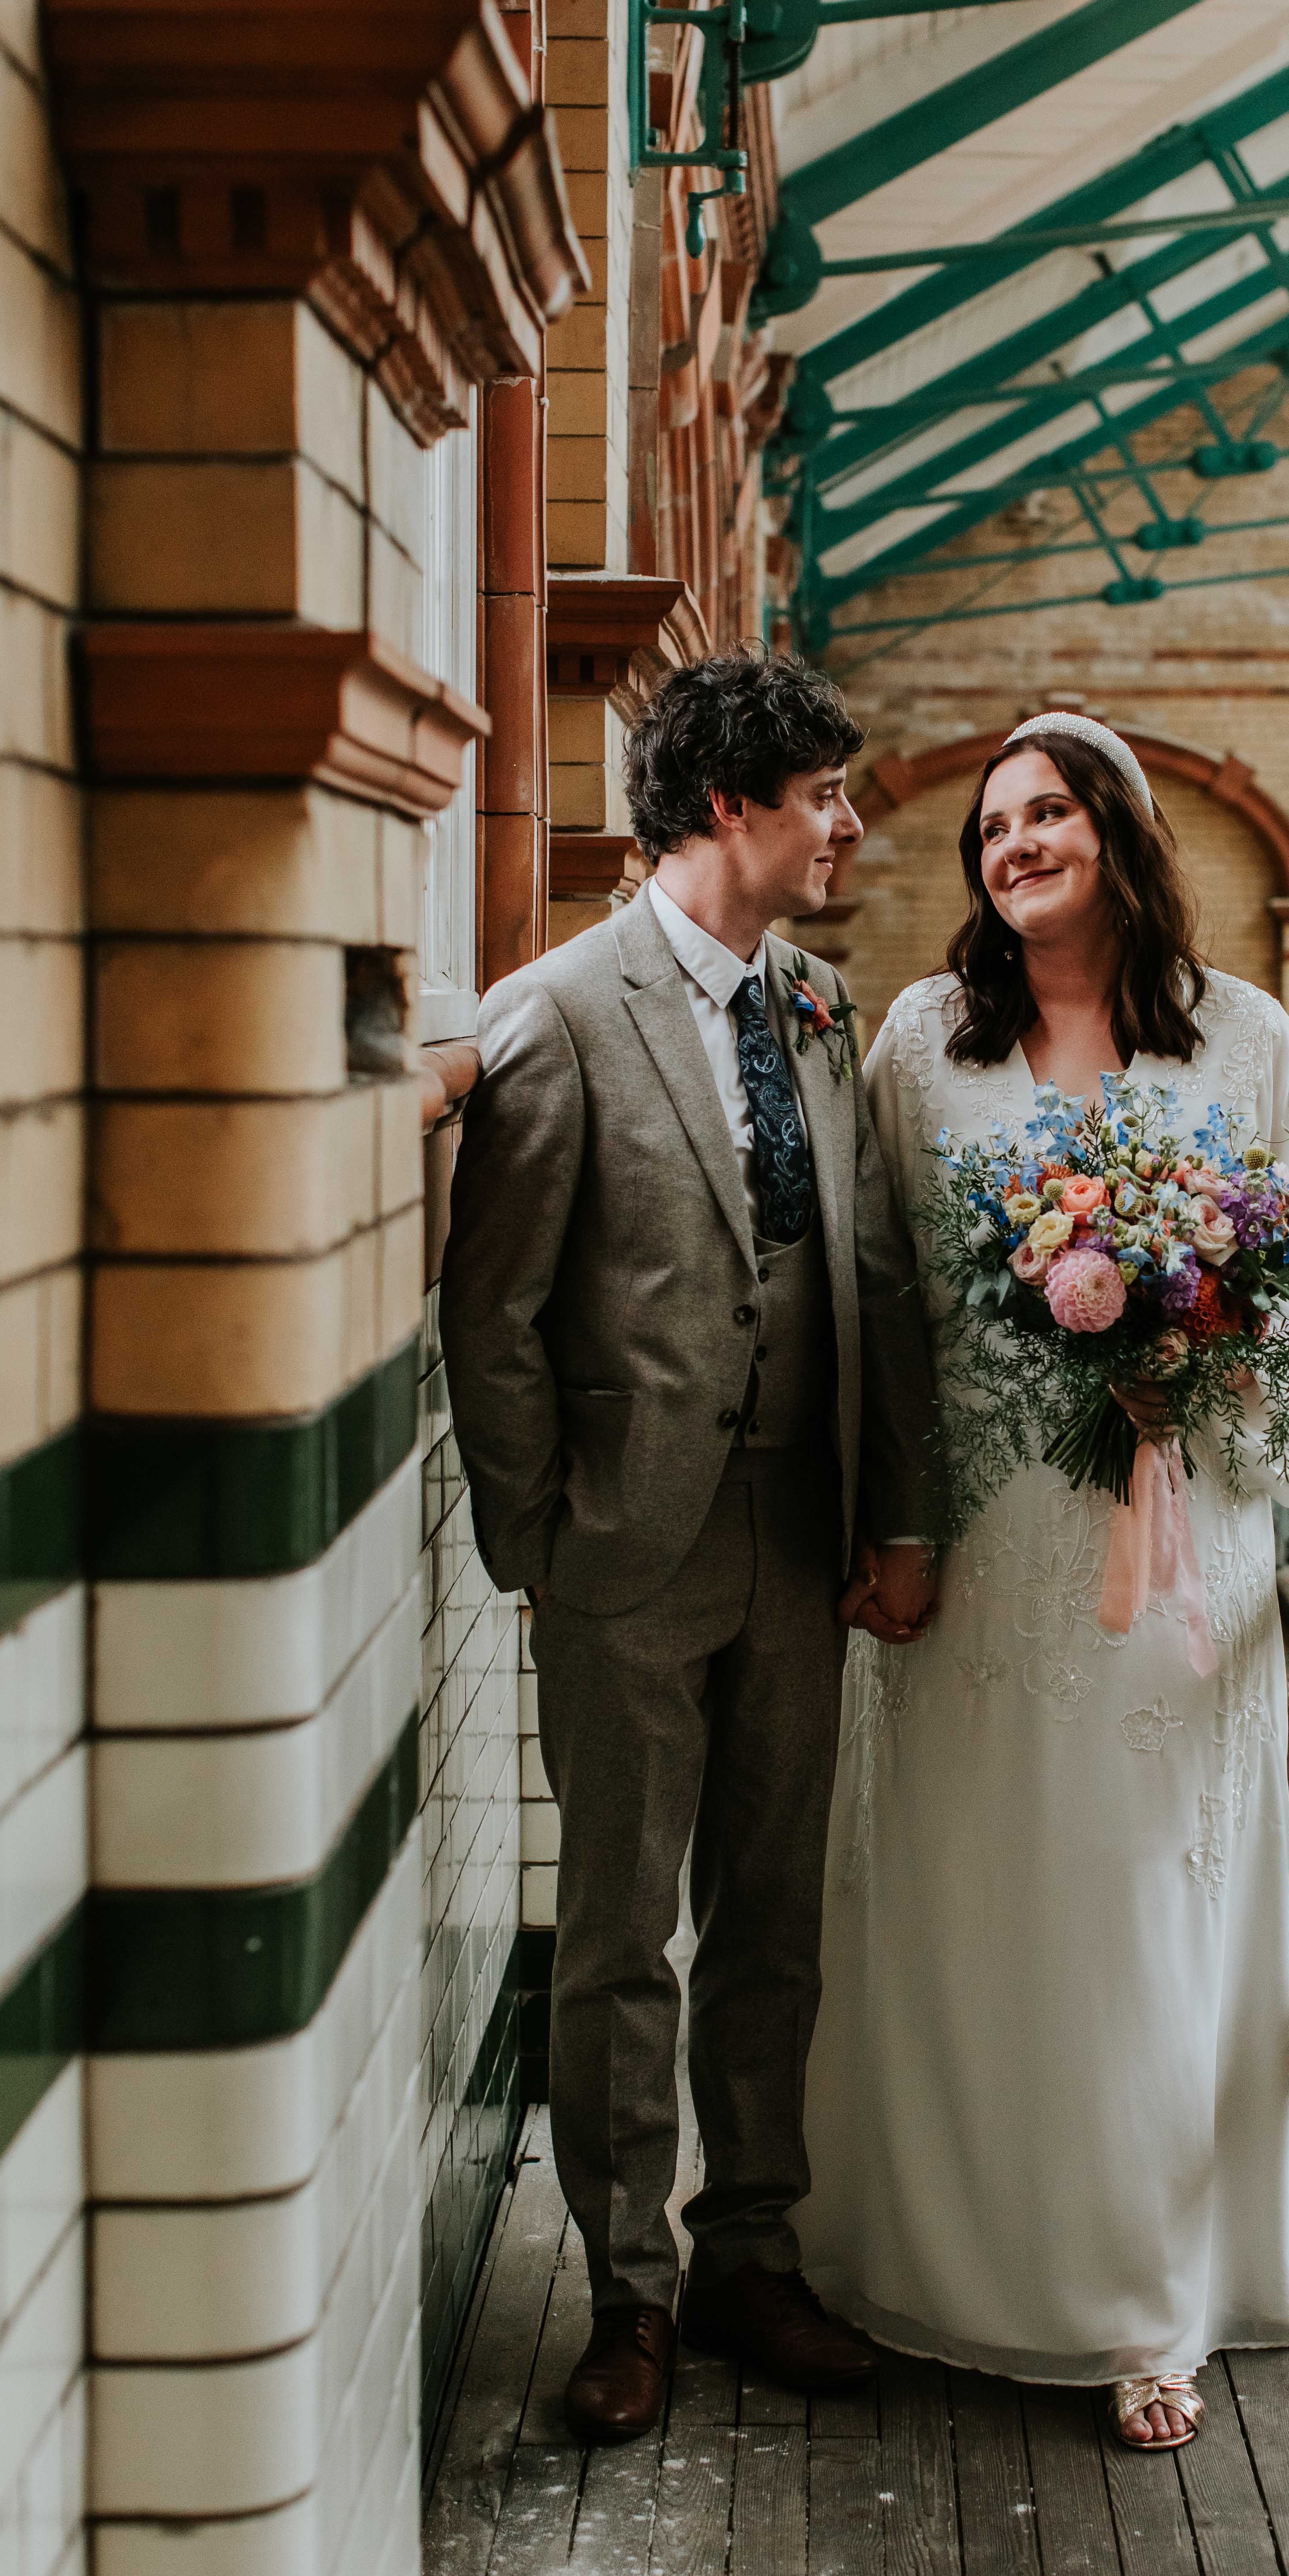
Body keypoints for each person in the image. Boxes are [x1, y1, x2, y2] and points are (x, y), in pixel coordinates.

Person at [797, 713, 1289, 2450]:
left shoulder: (1247, 1040)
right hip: (979, 1551)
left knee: (1148, 1919)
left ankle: (1146, 2302)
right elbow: (877, 1296)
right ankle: (944, 2256)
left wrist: (1203, 1363)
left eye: (1046, 814)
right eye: (992, 827)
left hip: (1180, 1550)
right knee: (972, 1899)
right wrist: (888, 1525)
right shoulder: (922, 1041)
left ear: (1116, 834)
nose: (1014, 845)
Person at [440, 648, 942, 2447]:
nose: (846, 825)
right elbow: (494, 1312)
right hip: (625, 1556)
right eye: (822, 795)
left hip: (800, 1540)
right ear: (728, 804)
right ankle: (626, 2296)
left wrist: (897, 1512)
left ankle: (750, 2254)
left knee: (771, 1924)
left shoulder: (815, 1001)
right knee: (615, 1943)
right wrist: (542, 1536)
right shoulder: (557, 1011)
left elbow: (870, 1272)